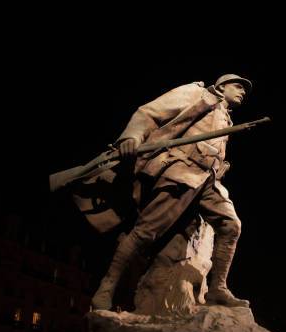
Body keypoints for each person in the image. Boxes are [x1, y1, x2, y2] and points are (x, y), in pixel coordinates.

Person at [91, 74, 252, 310]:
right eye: (238, 86)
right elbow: (149, 111)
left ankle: (217, 288)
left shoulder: (226, 117)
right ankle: (106, 289)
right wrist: (132, 136)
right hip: (182, 172)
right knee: (146, 232)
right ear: (221, 86)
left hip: (208, 180)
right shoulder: (198, 94)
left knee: (231, 225)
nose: (242, 92)